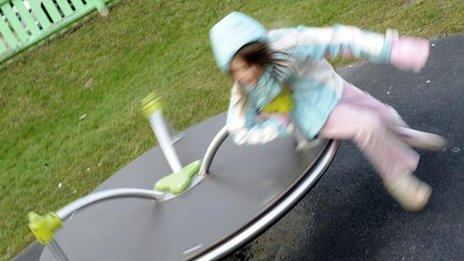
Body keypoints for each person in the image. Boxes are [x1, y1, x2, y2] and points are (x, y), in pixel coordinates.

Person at [209, 11, 445, 211]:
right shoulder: (243, 90)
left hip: (331, 88)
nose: (244, 75)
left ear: (260, 51)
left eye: (248, 65)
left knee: (383, 114)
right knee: (367, 125)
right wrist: (278, 126)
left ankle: (408, 137)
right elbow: (239, 128)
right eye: (235, 71)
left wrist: (388, 49)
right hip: (311, 115)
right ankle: (397, 178)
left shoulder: (286, 44)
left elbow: (338, 39)